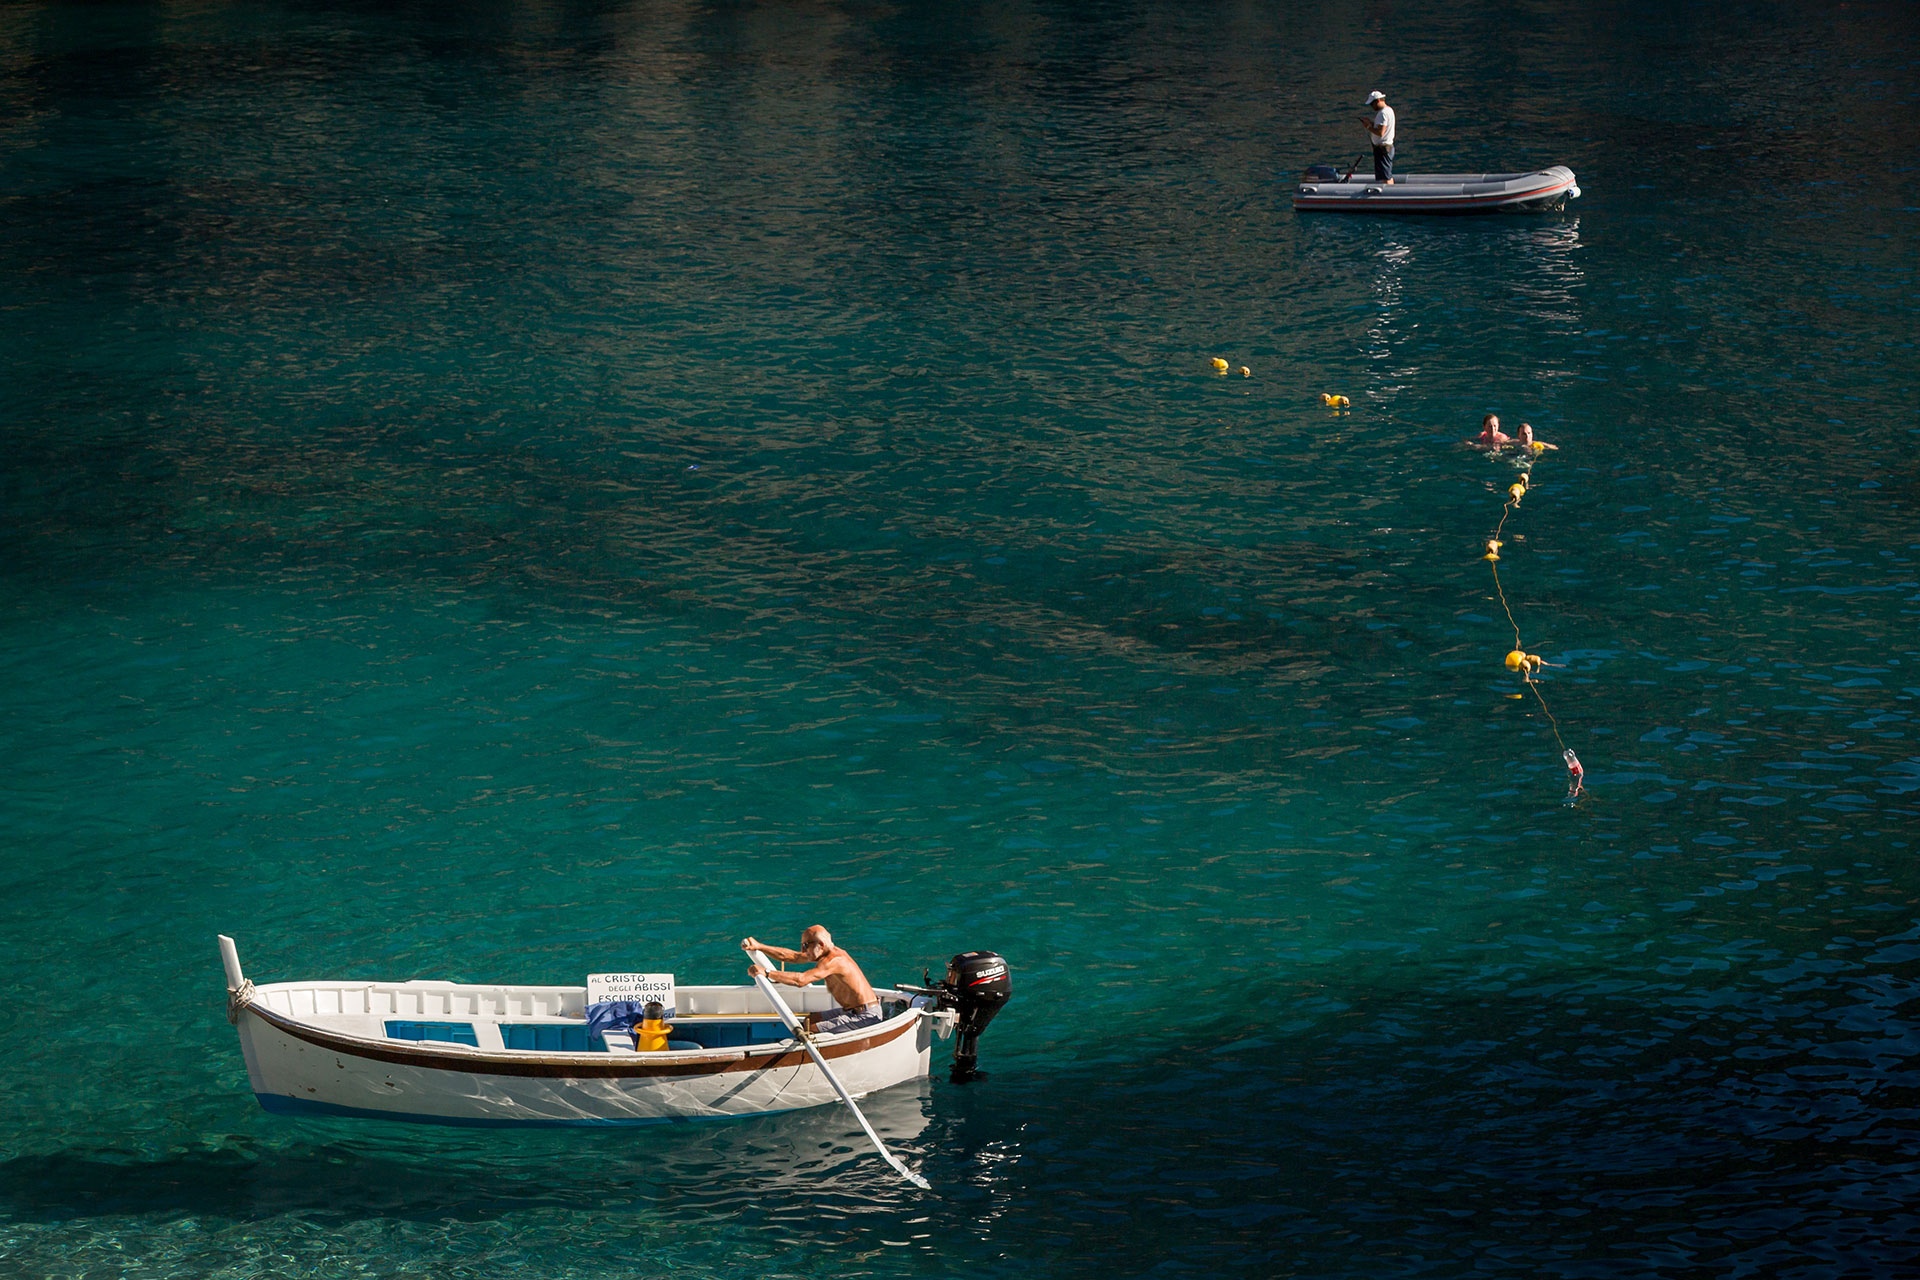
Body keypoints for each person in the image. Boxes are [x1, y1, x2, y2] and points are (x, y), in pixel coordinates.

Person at [742, 926, 883, 1035]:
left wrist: (766, 973)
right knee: (811, 1020)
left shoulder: (834, 960)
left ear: (820, 944)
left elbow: (801, 980)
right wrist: (759, 946)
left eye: (805, 945)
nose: (802, 950)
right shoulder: (825, 953)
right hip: (851, 1010)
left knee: (812, 1030)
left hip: (866, 1016)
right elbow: (793, 956)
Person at [1361, 90, 1396, 183]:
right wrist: (1372, 123)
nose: (1372, 106)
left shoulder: (1382, 113)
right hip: (1386, 147)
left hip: (1382, 148)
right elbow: (1382, 127)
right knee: (1387, 174)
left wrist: (1368, 127)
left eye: (1372, 104)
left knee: (1385, 176)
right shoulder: (1389, 110)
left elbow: (1381, 132)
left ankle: (1388, 194)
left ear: (1378, 101)